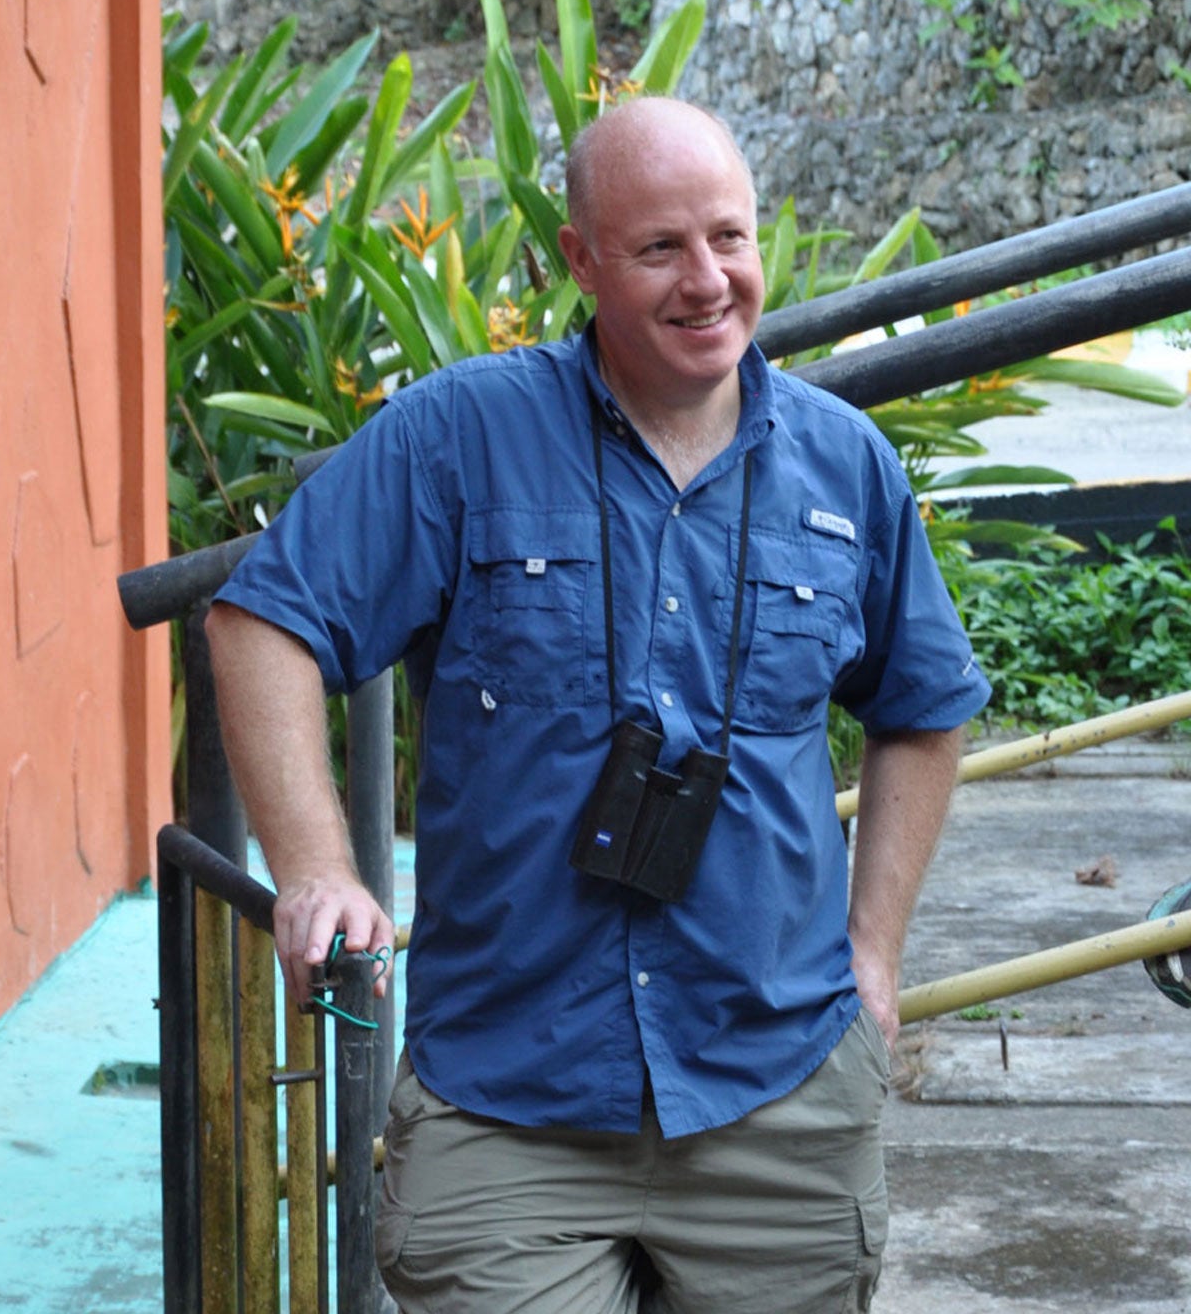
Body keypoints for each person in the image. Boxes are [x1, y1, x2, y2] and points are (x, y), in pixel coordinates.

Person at [205, 96, 988, 1313]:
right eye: (657, 248)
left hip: (774, 1089)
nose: (705, 281)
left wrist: (870, 958)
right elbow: (263, 620)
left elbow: (922, 706)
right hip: (507, 1103)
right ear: (577, 260)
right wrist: (314, 865)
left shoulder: (844, 466)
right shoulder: (457, 437)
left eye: (726, 238)